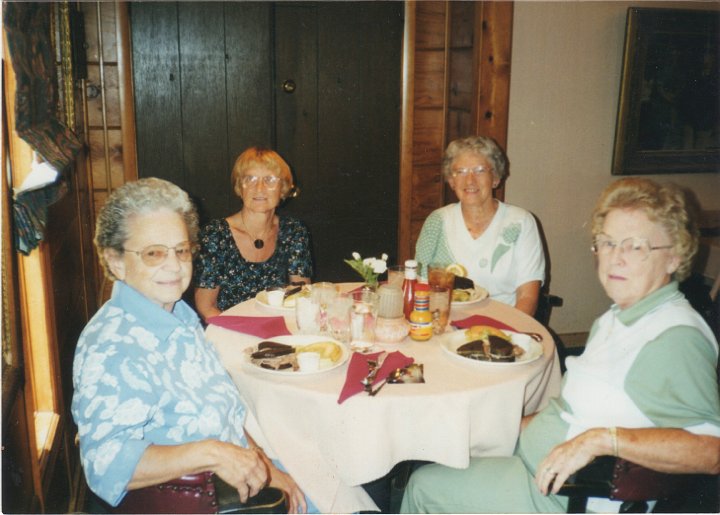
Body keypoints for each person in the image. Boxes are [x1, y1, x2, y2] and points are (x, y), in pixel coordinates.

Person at [402, 178, 720, 513]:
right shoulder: (619, 317)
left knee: (424, 486)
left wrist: (602, 439)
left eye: (635, 246)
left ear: (674, 257)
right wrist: (500, 423)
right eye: (607, 243)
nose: (616, 259)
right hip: (541, 460)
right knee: (444, 440)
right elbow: (575, 410)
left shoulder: (675, 337)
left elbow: (711, 451)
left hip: (568, 495)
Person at [71, 178, 310, 512]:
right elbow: (105, 464)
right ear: (116, 262)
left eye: (181, 250)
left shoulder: (179, 315)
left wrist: (264, 465)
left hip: (243, 469)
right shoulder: (112, 345)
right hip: (208, 499)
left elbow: (223, 414)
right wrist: (214, 454)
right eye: (153, 253)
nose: (174, 265)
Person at [414, 136, 545, 316]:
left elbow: (527, 296)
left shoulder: (521, 222)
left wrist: (509, 334)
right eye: (460, 171)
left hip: (504, 323)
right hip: (446, 323)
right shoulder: (437, 221)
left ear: (496, 178)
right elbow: (420, 286)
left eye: (480, 170)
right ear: (452, 181)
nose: (470, 180)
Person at [194, 147, 312, 320]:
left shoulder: (294, 231)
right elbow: (206, 308)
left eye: (270, 180)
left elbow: (300, 295)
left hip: (277, 328)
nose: (259, 188)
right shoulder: (215, 234)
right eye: (250, 179)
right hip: (227, 329)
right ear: (239, 187)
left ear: (283, 188)